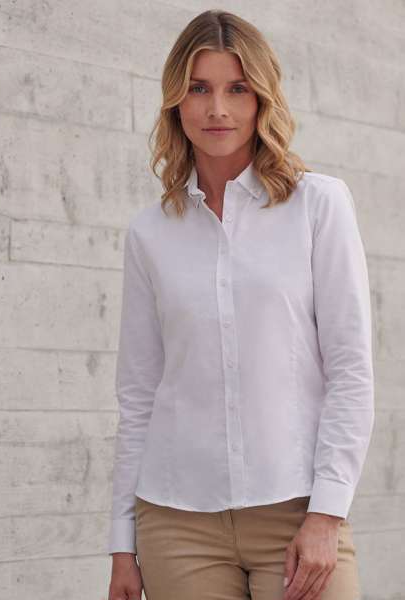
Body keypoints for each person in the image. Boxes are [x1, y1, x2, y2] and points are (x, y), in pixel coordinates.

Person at [107, 9, 374, 600]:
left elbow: (351, 372)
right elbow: (139, 393)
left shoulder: (318, 206)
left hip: (296, 510)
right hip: (177, 523)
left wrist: (327, 514)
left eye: (237, 89)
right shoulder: (150, 232)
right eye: (199, 89)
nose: (217, 109)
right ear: (176, 101)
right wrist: (122, 544)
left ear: (262, 100)